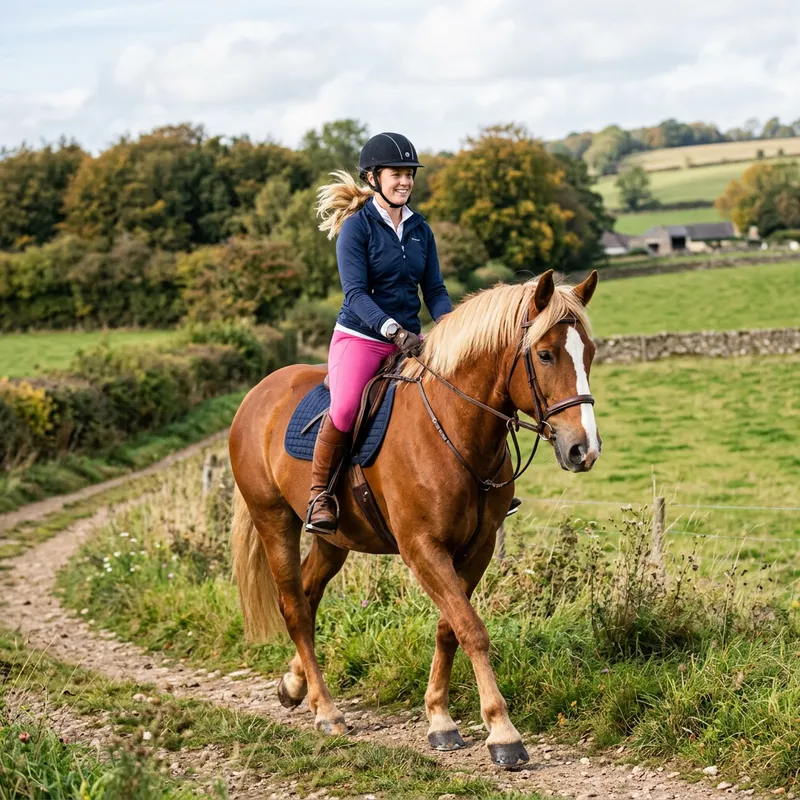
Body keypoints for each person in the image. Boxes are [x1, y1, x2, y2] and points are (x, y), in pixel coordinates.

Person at [307, 132, 521, 535]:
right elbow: (355, 294)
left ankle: (488, 487)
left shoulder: (421, 228)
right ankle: (321, 493)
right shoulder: (357, 228)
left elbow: (434, 290)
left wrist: (454, 330)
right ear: (373, 177)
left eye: (409, 174)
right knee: (347, 406)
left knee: (466, 391)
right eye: (397, 174)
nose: (405, 181)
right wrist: (391, 329)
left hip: (411, 340)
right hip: (361, 338)